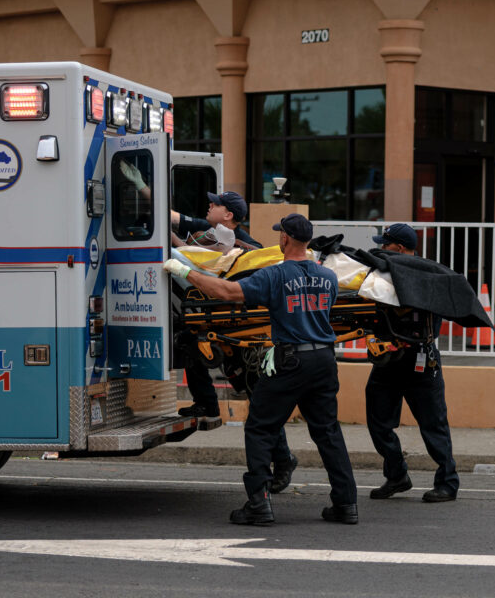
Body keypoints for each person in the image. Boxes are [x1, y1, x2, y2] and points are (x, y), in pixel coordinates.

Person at [163, 213, 358, 525]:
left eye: (280, 234)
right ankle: (346, 504)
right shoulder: (329, 277)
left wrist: (187, 272)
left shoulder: (275, 276)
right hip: (324, 360)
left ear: (284, 239)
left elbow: (226, 292)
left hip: (290, 361)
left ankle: (259, 504)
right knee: (328, 431)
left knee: (259, 428)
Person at [170, 191, 298, 494]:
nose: (209, 206)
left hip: (245, 339)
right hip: (223, 331)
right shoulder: (214, 232)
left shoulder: (244, 247)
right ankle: (207, 404)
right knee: (188, 339)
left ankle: (280, 463)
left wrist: (171, 245)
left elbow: (198, 260)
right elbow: (181, 227)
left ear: (228, 215)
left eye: (215, 205)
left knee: (260, 406)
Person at [365, 223, 459, 503]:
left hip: (420, 361)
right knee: (378, 421)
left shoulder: (428, 276)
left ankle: (448, 482)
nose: (382, 248)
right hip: (387, 360)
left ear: (401, 249)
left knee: (433, 424)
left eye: (387, 244)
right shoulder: (380, 274)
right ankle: (396, 476)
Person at [171, 191, 260, 248]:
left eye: (217, 204)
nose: (210, 205)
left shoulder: (244, 240)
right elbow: (175, 218)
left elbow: (260, 252)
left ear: (228, 215)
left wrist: (232, 243)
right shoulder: (207, 226)